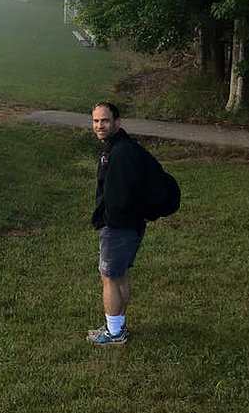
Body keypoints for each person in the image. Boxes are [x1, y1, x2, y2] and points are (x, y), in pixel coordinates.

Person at [87, 102, 148, 345]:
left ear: (117, 122)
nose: (100, 125)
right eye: (96, 121)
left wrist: (108, 221)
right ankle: (117, 326)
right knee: (119, 276)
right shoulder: (120, 148)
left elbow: (119, 196)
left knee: (110, 277)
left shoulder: (120, 153)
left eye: (105, 120)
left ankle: (114, 333)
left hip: (120, 227)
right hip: (130, 224)